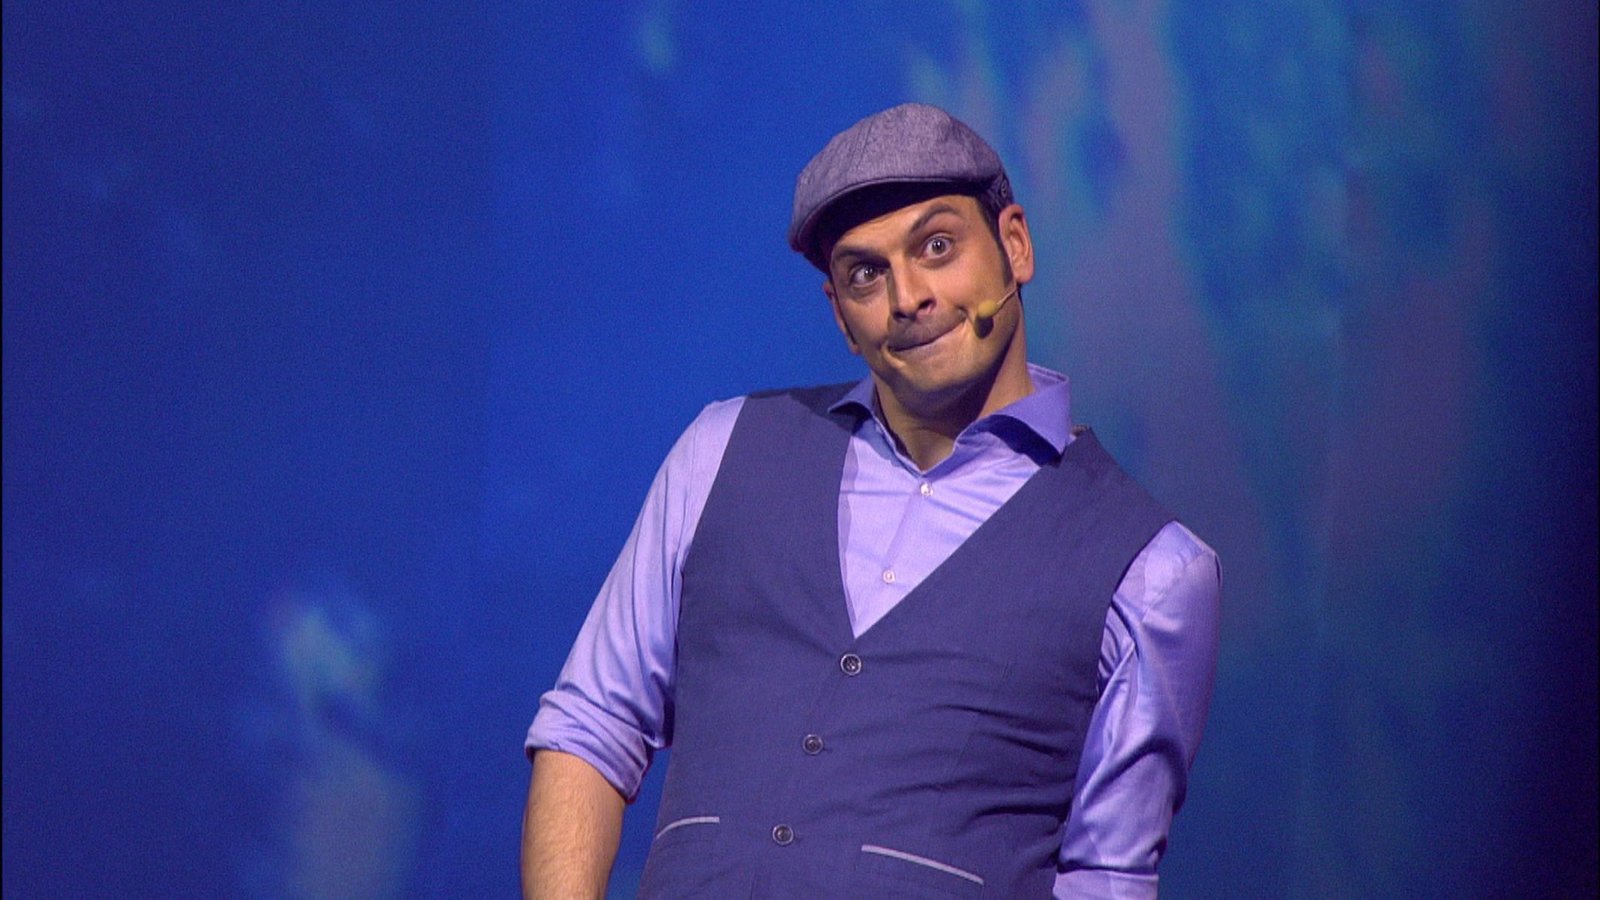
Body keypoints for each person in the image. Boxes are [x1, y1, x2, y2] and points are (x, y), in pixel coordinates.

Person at [521, 102, 1221, 898]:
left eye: (937, 246)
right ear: (841, 317)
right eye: (866, 273)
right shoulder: (720, 452)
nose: (908, 296)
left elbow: (1105, 878)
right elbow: (591, 726)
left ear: (1015, 245)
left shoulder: (1152, 571)